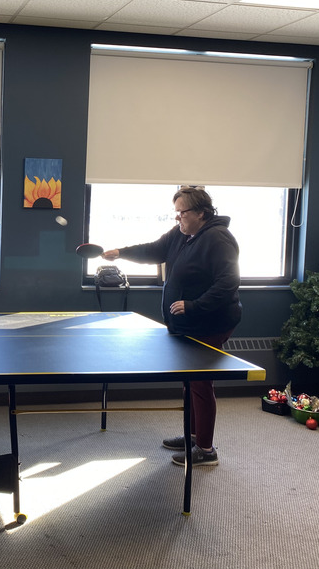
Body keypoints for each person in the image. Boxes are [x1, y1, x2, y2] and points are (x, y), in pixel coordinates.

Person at [102, 186, 241, 467]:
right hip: (186, 324)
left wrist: (194, 305)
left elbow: (228, 283)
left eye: (182, 213)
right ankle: (193, 435)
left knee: (201, 384)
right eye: (175, 213)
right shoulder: (182, 234)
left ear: (201, 213)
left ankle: (206, 449)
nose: (178, 219)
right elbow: (154, 250)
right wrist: (121, 252)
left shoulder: (218, 238)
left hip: (209, 322)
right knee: (190, 382)